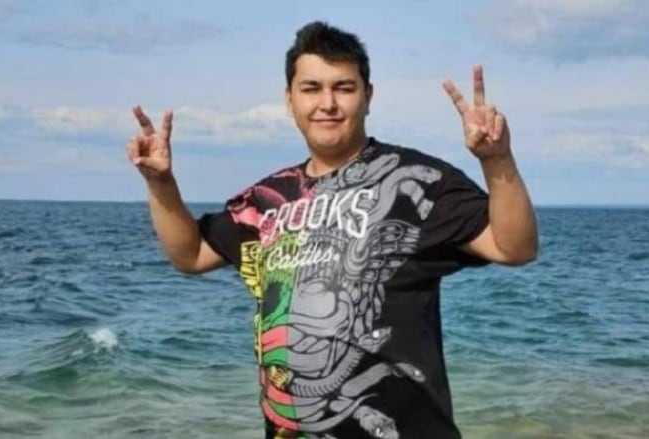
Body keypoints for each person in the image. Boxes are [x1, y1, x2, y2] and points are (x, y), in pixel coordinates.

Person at [126, 21, 537, 439]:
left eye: (343, 87)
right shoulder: (265, 200)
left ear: (368, 96)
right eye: (311, 88)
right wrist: (160, 183)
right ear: (290, 100)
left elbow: (514, 246)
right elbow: (190, 254)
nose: (328, 103)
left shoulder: (419, 180)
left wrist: (497, 160)